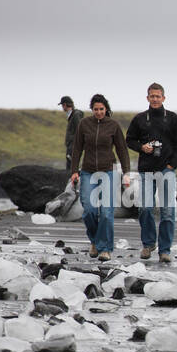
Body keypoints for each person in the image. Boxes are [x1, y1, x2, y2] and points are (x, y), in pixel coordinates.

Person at [125, 82, 177, 264]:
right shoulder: (140, 119)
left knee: (167, 211)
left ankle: (165, 250)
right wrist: (141, 146)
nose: (155, 99)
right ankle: (148, 244)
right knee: (145, 209)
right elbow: (129, 139)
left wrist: (171, 165)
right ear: (147, 98)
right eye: (152, 96)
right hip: (146, 170)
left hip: (166, 170)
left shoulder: (173, 119)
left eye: (158, 96)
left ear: (163, 98)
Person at [68, 94, 130, 262]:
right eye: (96, 109)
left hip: (108, 171)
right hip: (88, 172)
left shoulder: (113, 125)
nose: (99, 112)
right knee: (88, 210)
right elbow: (77, 149)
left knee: (106, 212)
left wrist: (126, 173)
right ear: (92, 109)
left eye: (101, 109)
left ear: (106, 109)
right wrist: (74, 170)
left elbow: (122, 150)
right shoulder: (84, 124)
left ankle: (105, 249)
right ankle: (95, 240)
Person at [60, 96, 84, 169]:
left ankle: (72, 179)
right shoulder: (72, 115)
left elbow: (80, 130)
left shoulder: (76, 115)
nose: (62, 107)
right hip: (71, 145)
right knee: (70, 164)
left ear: (65, 105)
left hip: (73, 145)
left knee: (71, 166)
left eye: (62, 105)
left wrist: (76, 144)